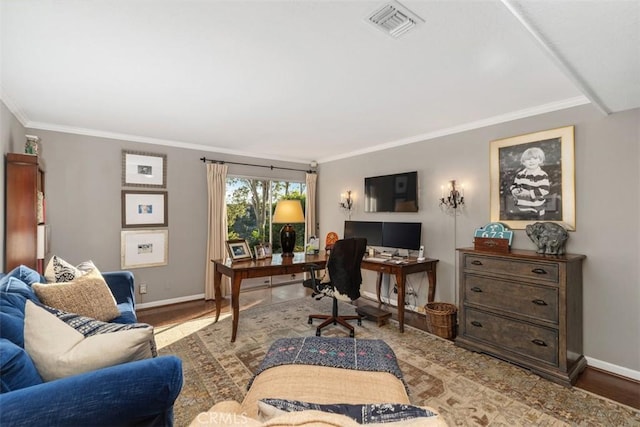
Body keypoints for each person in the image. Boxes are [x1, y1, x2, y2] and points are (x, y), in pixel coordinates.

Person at [509, 147, 550, 217]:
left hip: (537, 207)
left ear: (540, 160)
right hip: (521, 206)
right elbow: (514, 185)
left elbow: (545, 190)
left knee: (536, 225)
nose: (531, 161)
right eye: (528, 159)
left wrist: (529, 193)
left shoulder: (542, 174)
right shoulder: (520, 175)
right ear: (523, 162)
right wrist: (514, 190)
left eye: (535, 158)